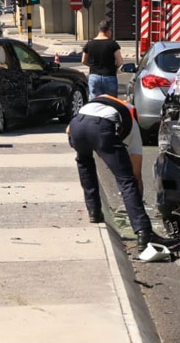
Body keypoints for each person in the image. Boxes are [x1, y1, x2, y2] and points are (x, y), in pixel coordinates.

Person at [66, 94, 166, 251]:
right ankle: (144, 233)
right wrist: (137, 204)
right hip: (102, 127)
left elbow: (69, 130)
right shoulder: (133, 129)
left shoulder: (102, 103)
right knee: (127, 180)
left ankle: (94, 211)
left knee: (84, 162)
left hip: (77, 124)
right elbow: (136, 175)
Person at [82, 20, 122, 99]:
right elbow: (120, 61)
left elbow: (83, 60)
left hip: (94, 76)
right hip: (109, 76)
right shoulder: (113, 44)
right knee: (111, 102)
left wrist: (93, 66)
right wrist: (115, 68)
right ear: (108, 30)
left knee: (95, 102)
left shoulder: (89, 44)